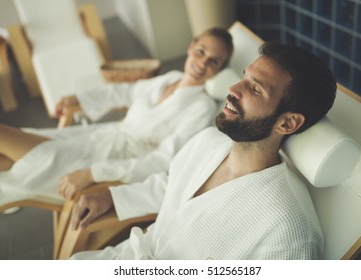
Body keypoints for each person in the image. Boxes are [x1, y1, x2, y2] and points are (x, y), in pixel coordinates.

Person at [70, 42, 337, 260]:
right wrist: (111, 197)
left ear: (288, 122)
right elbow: (171, 185)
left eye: (255, 88)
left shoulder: (287, 228)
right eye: (245, 77)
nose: (232, 90)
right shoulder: (207, 141)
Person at [0, 27, 233, 213]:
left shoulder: (200, 107)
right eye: (201, 52)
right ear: (191, 47)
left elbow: (164, 160)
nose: (202, 63)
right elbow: (127, 91)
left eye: (214, 61)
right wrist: (78, 97)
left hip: (108, 159)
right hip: (95, 138)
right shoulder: (170, 78)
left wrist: (93, 173)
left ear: (220, 69)